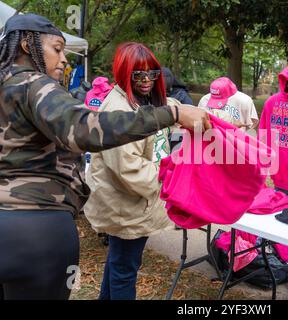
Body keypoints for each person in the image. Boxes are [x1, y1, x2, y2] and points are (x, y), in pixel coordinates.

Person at [0, 13, 210, 300]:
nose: (64, 60)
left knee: (120, 265)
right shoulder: (34, 85)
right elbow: (85, 130)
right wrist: (171, 116)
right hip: (36, 228)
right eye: (57, 49)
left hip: (10, 227)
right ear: (27, 44)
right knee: (123, 268)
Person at [83, 42, 179, 300]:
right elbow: (128, 168)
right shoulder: (119, 109)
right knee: (125, 269)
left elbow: (160, 140)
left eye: (153, 73)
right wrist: (170, 177)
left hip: (138, 201)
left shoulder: (144, 100)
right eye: (139, 74)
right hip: (127, 204)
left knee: (119, 264)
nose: (147, 80)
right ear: (124, 73)